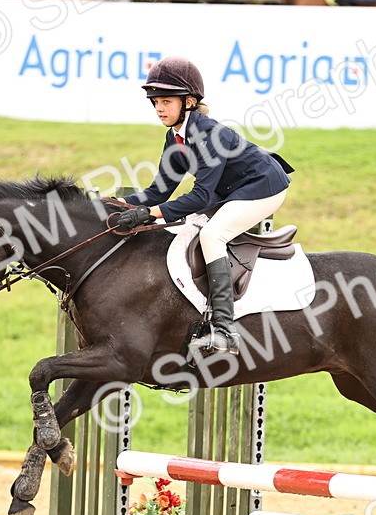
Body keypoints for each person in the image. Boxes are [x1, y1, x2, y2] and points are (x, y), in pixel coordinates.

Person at [116, 57, 293, 355]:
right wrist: (115, 204)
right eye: (155, 102)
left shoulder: (209, 133)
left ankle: (224, 330)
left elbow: (200, 196)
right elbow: (158, 192)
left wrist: (149, 214)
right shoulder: (175, 137)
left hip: (264, 186)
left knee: (213, 235)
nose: (159, 108)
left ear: (188, 102)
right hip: (232, 191)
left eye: (166, 101)